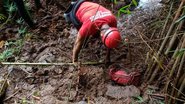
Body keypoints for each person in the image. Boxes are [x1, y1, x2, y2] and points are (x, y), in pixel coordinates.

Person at [64, 0, 122, 64]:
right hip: (75, 9)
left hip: (89, 6)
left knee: (94, 34)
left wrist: (107, 57)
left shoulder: (113, 20)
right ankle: (85, 44)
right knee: (83, 39)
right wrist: (75, 61)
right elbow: (78, 42)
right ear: (102, 35)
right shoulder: (88, 26)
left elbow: (110, 38)